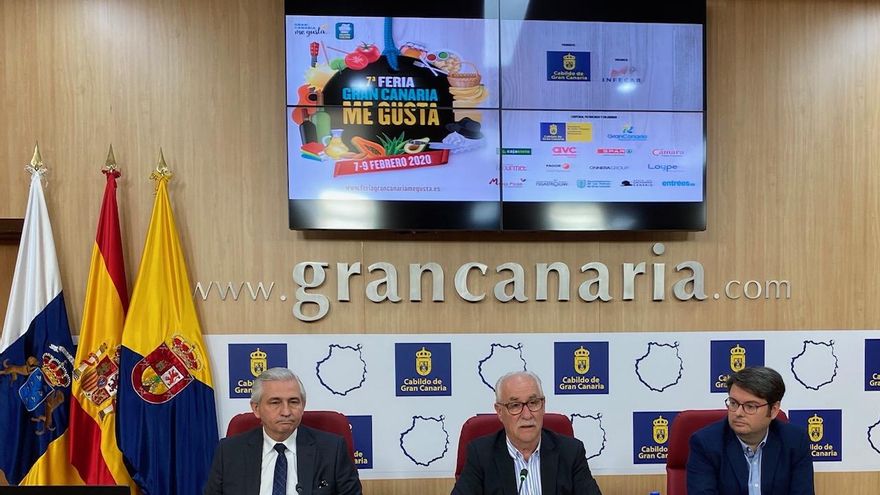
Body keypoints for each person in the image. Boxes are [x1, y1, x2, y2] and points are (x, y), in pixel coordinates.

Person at [204, 367, 362, 495]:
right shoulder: (229, 452)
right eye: (275, 402)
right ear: (256, 408)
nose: (286, 411)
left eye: (293, 402)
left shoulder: (332, 450)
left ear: (303, 405)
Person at [452, 371, 602, 495]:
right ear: (500, 412)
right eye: (515, 405)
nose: (527, 415)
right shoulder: (481, 455)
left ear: (543, 405)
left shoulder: (571, 452)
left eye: (533, 403)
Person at [687, 366, 814, 495]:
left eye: (750, 406)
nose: (738, 413)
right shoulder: (706, 444)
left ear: (774, 410)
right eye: (733, 403)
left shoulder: (795, 441)